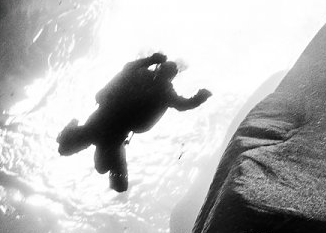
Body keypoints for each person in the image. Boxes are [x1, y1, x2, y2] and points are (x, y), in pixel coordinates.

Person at [57, 53, 212, 192]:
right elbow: (183, 104)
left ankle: (70, 132)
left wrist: (151, 59)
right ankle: (70, 130)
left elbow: (128, 68)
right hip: (107, 126)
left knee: (102, 168)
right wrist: (200, 97)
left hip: (108, 127)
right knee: (75, 152)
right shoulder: (158, 84)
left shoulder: (160, 86)